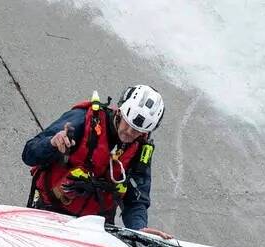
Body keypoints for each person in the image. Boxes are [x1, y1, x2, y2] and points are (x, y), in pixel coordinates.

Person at [22, 85, 170, 238]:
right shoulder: (81, 120)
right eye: (128, 124)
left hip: (93, 228)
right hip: (50, 210)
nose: (129, 133)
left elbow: (136, 199)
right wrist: (51, 143)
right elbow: (29, 154)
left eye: (137, 130)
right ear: (119, 111)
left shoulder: (140, 149)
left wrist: (138, 228)